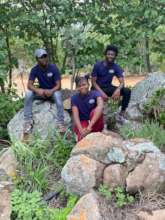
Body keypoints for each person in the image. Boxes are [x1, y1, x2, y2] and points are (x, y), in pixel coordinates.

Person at [23, 48, 65, 134]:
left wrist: (51, 91)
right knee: (28, 94)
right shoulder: (35, 69)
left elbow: (59, 85)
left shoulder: (53, 68)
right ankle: (28, 121)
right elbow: (29, 85)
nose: (44, 58)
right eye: (41, 57)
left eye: (45, 56)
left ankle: (60, 122)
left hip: (52, 93)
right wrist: (38, 90)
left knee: (58, 95)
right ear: (37, 59)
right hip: (41, 93)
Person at [91, 45, 131, 124]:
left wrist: (118, 90)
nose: (110, 56)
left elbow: (122, 82)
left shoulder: (116, 67)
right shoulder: (98, 65)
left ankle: (121, 115)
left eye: (112, 54)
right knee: (95, 101)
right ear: (105, 54)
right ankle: (93, 119)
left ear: (115, 56)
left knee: (127, 91)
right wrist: (102, 94)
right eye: (108, 54)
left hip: (107, 88)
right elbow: (93, 82)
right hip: (96, 88)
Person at [71, 76, 104, 142]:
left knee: (95, 111)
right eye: (79, 86)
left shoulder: (95, 93)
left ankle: (97, 133)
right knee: (82, 139)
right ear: (77, 88)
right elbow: (76, 116)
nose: (82, 87)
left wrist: (89, 127)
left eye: (84, 84)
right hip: (83, 122)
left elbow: (100, 106)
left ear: (88, 85)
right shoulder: (74, 98)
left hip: (94, 122)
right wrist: (81, 130)